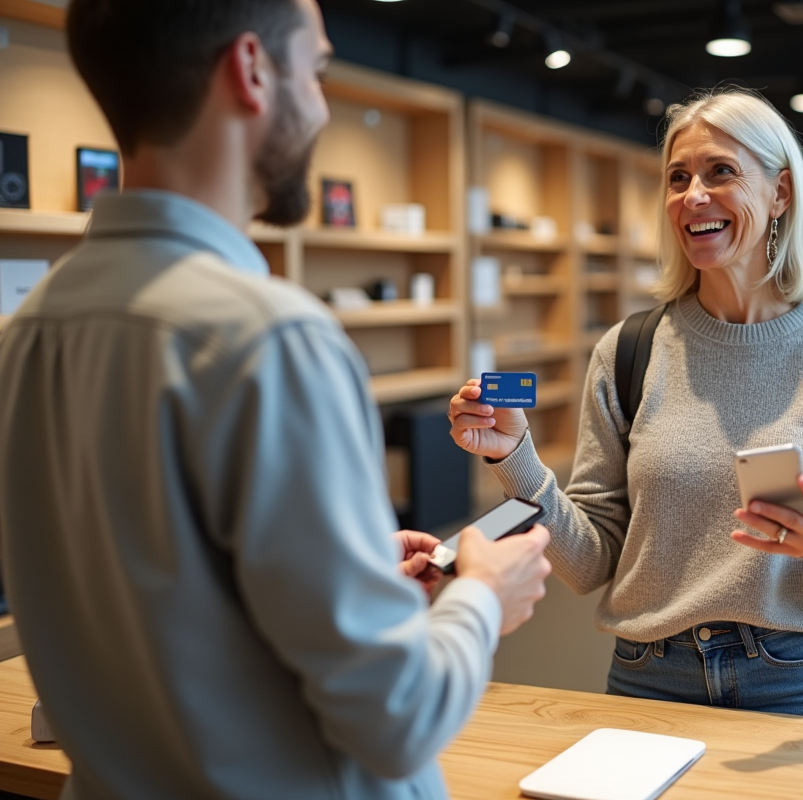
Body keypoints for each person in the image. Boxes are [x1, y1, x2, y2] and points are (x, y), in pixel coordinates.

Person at [0, 1, 551, 798]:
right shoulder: (272, 338)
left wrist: (349, 575)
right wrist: (480, 597)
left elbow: (170, 621)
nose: (324, 105)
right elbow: (398, 717)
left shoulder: (30, 334)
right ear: (252, 69)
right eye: (320, 70)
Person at [449, 87, 803, 720]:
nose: (693, 195)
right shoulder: (628, 352)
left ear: (780, 193)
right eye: (677, 178)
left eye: (721, 171)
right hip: (647, 677)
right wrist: (515, 458)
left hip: (796, 683)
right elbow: (587, 564)